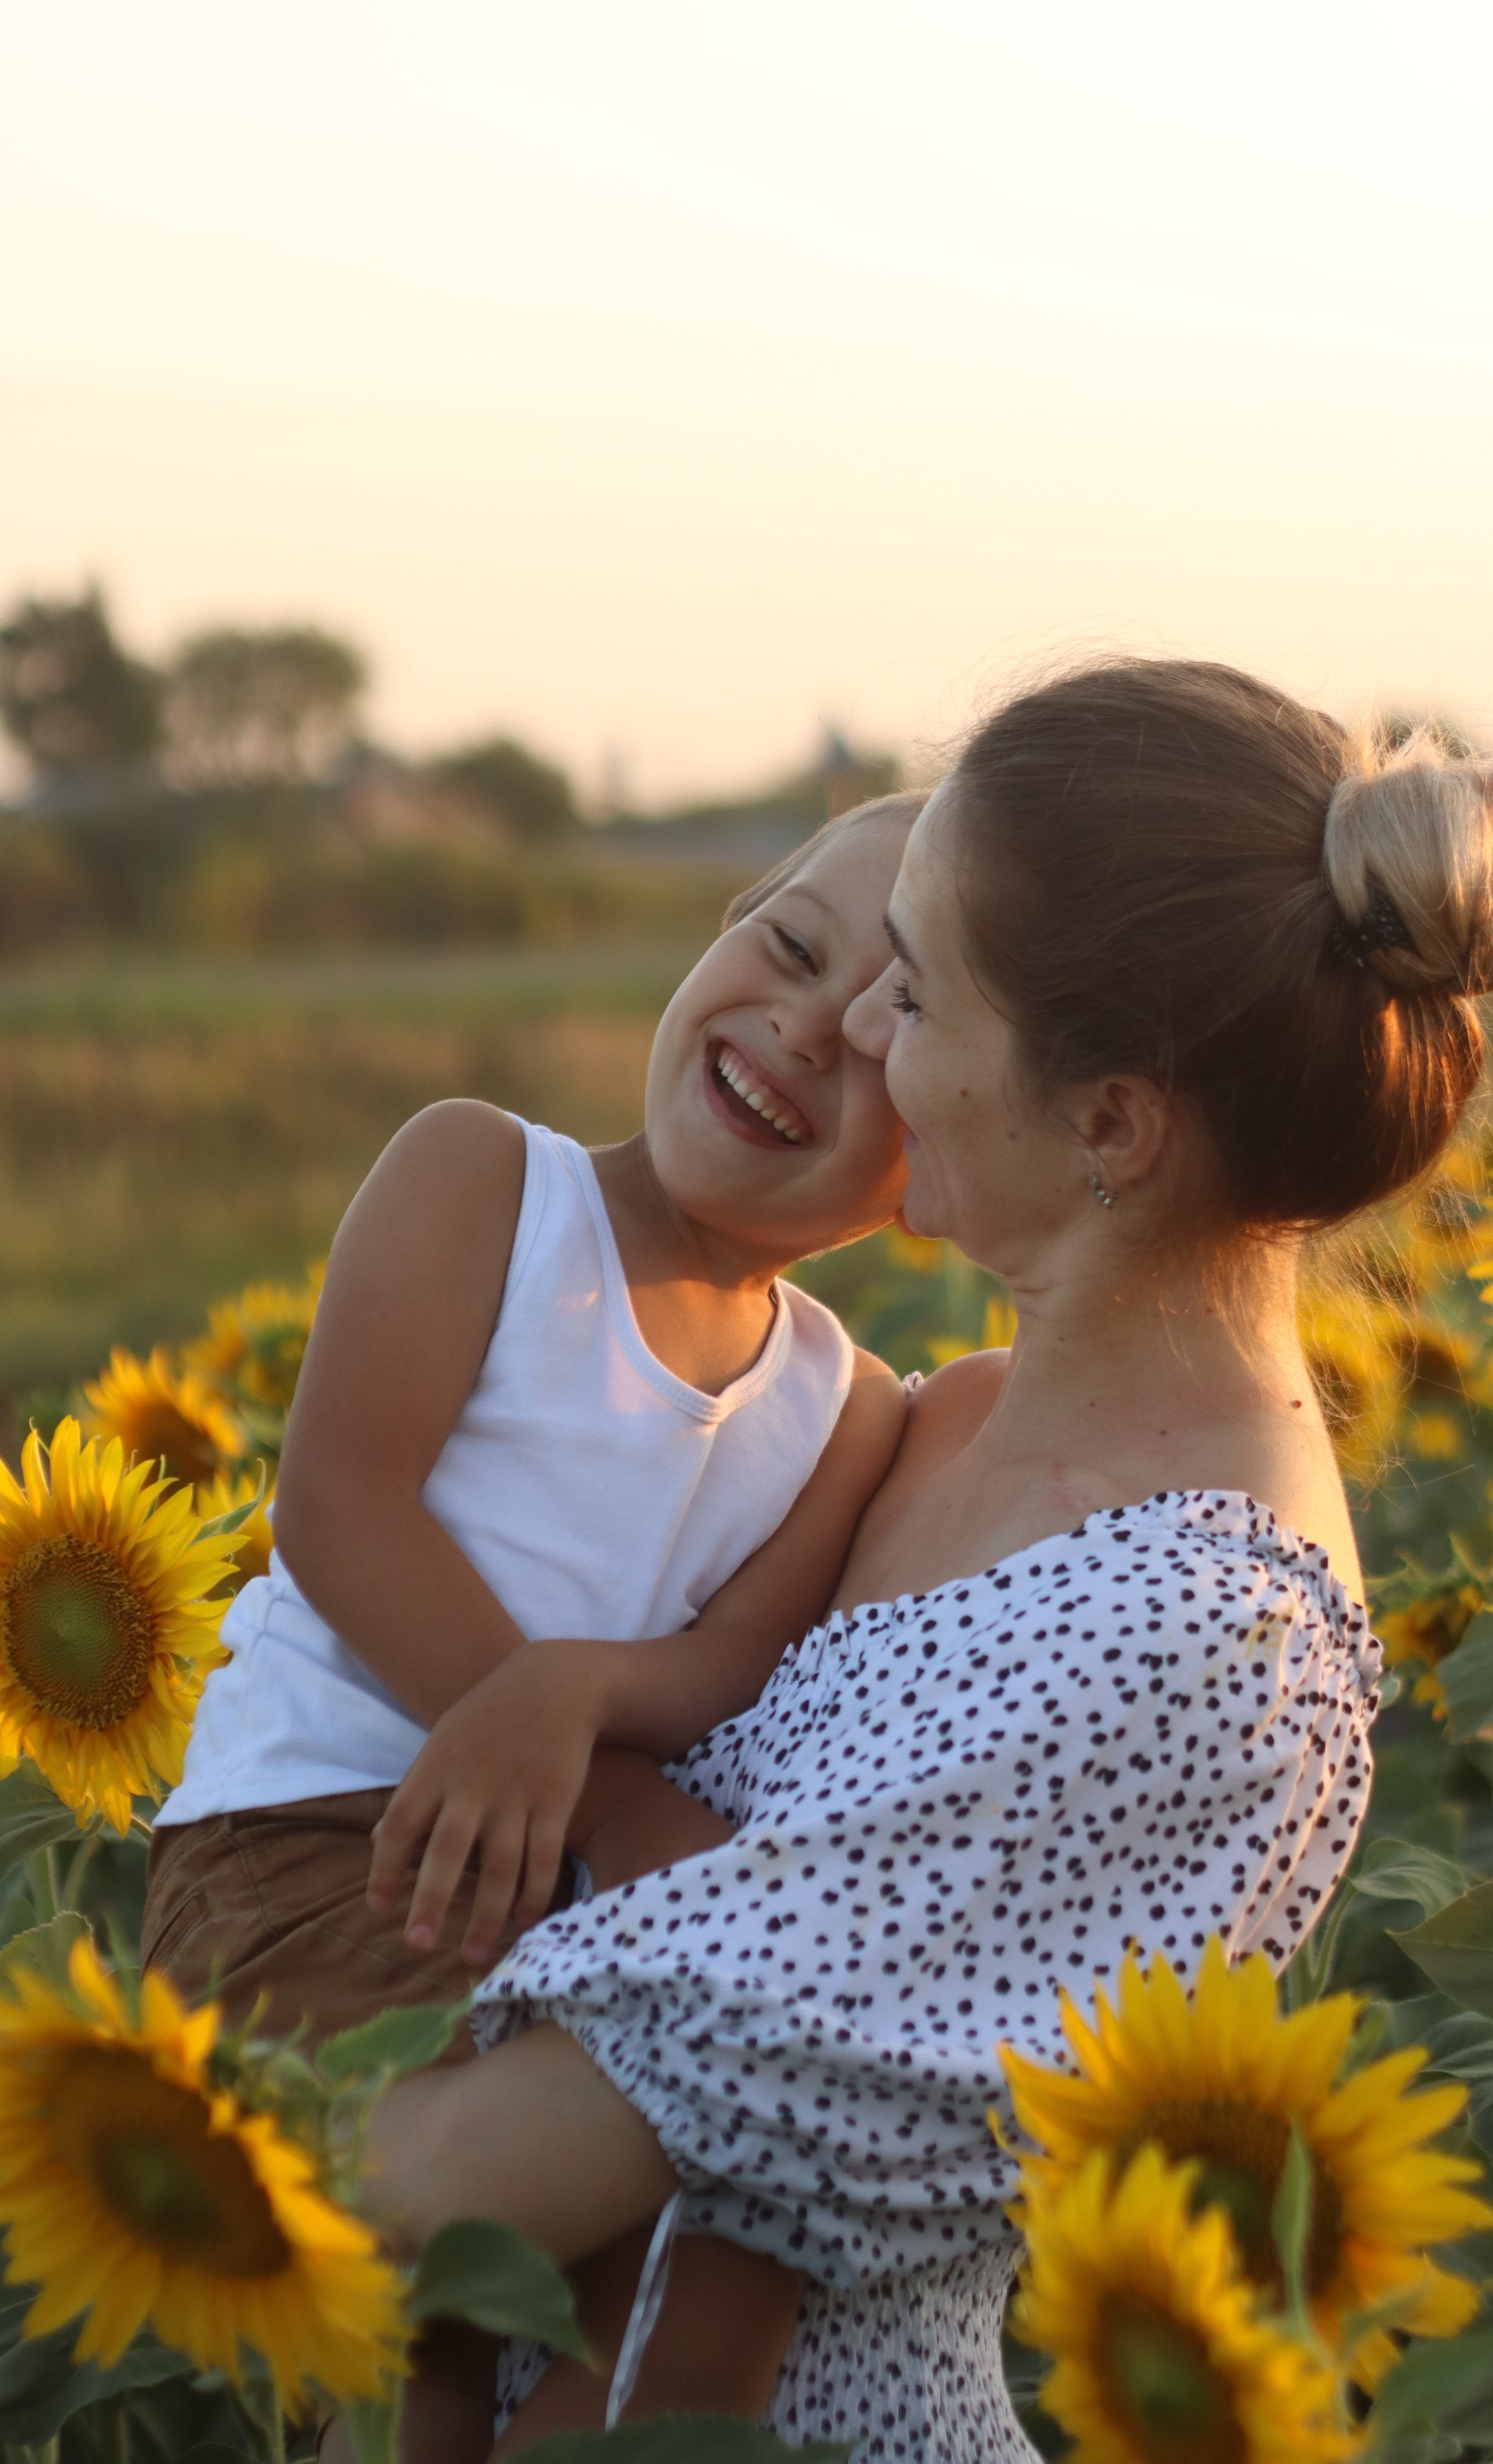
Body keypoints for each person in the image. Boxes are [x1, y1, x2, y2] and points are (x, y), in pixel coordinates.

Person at [353, 658, 1493, 2462]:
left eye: (912, 994)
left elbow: (486, 2180)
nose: (849, 1041)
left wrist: (53, 2131)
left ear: (1110, 1124)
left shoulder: (1207, 1638)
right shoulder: (938, 1421)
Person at [139, 790, 924, 2452]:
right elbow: (343, 1506)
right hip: (318, 1848)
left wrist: (579, 1707)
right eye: (785, 946)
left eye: (874, 1049)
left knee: (639, 2283)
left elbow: (731, 1664)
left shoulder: (838, 1406)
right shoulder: (489, 1182)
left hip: (566, 1903)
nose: (798, 1031)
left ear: (940, 1163)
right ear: (720, 923)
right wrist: (577, 1763)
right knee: (425, 2325)